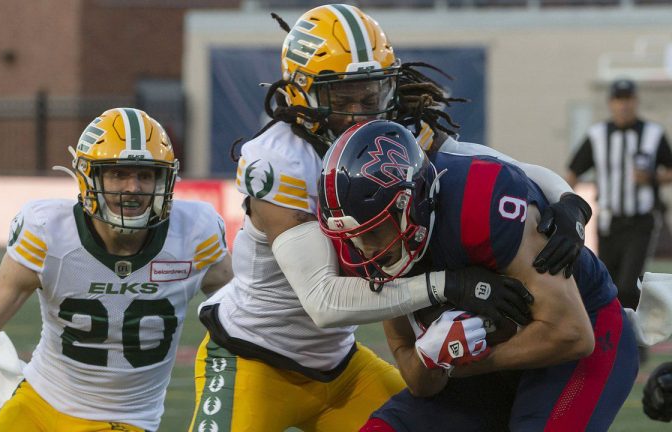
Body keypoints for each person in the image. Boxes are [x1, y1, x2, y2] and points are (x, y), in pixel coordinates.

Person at [189, 4, 592, 431]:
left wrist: (568, 202)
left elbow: (494, 165)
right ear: (300, 94)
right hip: (253, 359)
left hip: (342, 368)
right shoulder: (282, 161)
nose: (360, 112)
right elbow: (322, 301)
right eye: (342, 98)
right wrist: (447, 285)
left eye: (370, 95)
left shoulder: (394, 136)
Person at [0, 108, 233, 432]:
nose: (133, 187)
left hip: (124, 418)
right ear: (89, 177)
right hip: (40, 401)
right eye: (119, 174)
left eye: (145, 175)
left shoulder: (194, 234)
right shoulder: (49, 232)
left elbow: (247, 317)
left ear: (165, 179)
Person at [317, 119, 639, 431]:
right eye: (353, 237)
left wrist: (465, 362)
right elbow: (420, 383)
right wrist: (429, 356)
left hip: (580, 339)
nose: (365, 250)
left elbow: (571, 333)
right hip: (487, 366)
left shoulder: (481, 203)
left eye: (373, 232)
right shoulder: (367, 251)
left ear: (410, 205)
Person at [566, 78, 672, 309]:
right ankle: (617, 329)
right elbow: (573, 171)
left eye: (628, 99)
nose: (623, 105)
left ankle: (632, 328)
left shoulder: (652, 134)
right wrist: (565, 204)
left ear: (636, 101)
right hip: (608, 222)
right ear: (610, 103)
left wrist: (652, 178)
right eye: (618, 99)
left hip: (640, 221)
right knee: (608, 285)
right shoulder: (597, 135)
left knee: (627, 285)